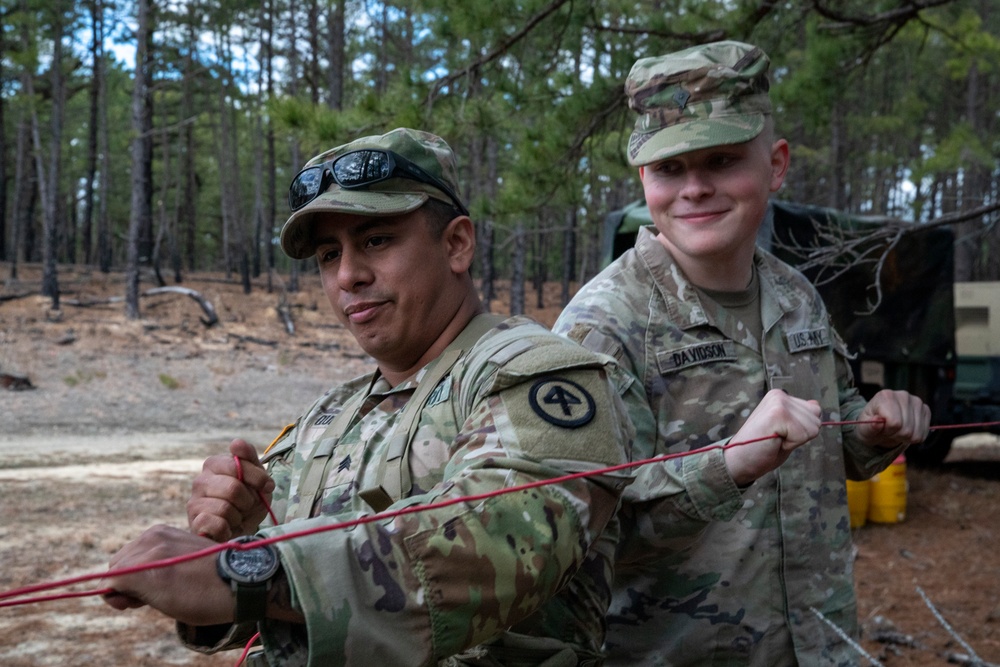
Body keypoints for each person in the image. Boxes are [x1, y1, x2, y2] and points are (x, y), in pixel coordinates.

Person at [102, 127, 637, 666]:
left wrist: (248, 570)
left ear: (456, 244)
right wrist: (225, 538)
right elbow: (254, 604)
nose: (348, 276)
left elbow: (502, 544)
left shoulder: (535, 372)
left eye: (376, 241)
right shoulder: (330, 416)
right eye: (329, 255)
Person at [552, 41, 931, 666]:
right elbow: (582, 536)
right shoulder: (603, 325)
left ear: (776, 165)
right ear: (643, 178)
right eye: (670, 169)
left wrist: (877, 426)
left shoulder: (796, 297)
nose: (695, 188)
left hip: (820, 646)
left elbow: (834, 451)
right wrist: (728, 464)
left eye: (722, 160)